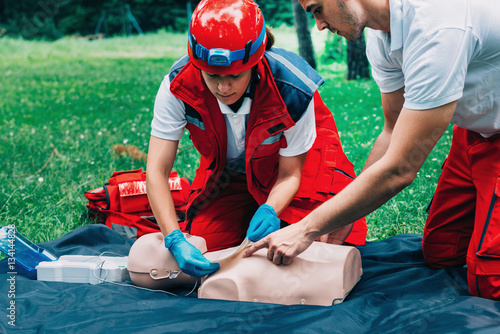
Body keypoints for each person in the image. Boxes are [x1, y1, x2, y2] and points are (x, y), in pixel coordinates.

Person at [244, 0, 500, 300]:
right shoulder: (383, 38)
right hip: (472, 132)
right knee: (441, 252)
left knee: (490, 281)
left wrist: (305, 229)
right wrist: (345, 215)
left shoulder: (438, 27)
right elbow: (392, 132)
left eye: (317, 9)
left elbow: (401, 169)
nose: (320, 25)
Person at [146, 0, 367, 278]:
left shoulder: (292, 87)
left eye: (234, 76)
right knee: (207, 247)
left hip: (300, 164)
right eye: (212, 76)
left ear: (255, 61)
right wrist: (174, 238)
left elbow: (290, 174)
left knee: (311, 249)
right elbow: (156, 170)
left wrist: (270, 209)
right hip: (229, 174)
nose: (223, 87)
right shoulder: (177, 87)